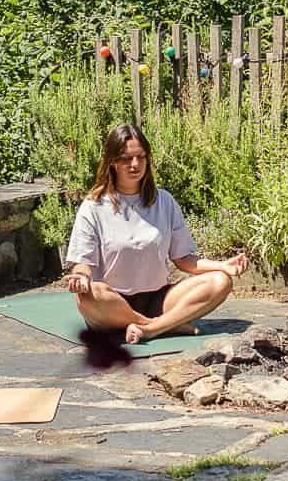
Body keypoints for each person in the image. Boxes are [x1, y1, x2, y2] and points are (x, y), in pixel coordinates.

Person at [62, 124, 250, 344]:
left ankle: (152, 329)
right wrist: (82, 277)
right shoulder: (93, 206)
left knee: (220, 282)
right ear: (112, 161)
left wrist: (223, 266)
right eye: (126, 158)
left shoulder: (165, 201)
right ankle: (166, 324)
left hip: (159, 300)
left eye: (141, 157)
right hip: (112, 304)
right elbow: (83, 262)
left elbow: (184, 259)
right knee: (88, 296)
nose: (135, 164)